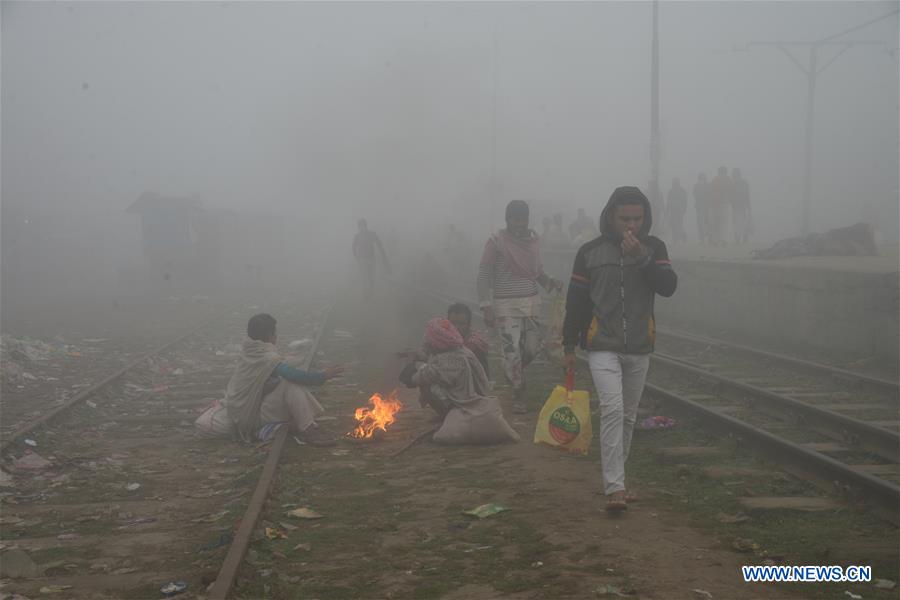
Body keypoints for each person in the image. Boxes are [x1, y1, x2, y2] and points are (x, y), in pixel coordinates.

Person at [562, 187, 677, 511]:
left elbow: (668, 287)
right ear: (610, 216)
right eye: (624, 218)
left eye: (637, 218)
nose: (631, 225)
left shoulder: (654, 248)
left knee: (627, 417)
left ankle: (620, 480)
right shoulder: (590, 252)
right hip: (602, 344)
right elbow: (576, 302)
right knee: (612, 409)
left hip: (640, 345)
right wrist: (569, 343)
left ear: (646, 218)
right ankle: (614, 488)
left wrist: (642, 258)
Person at [477, 200, 563, 414]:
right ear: (507, 219)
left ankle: (512, 372)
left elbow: (537, 272)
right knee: (512, 352)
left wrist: (551, 282)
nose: (520, 224)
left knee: (533, 348)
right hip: (506, 307)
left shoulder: (532, 242)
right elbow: (484, 274)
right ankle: (518, 392)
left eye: (523, 219)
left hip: (531, 303)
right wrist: (485, 305)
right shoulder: (496, 242)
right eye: (515, 219)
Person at [222, 313, 344, 446]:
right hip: (250, 418)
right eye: (274, 333)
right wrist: (323, 376)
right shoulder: (266, 358)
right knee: (289, 383)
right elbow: (294, 375)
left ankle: (307, 424)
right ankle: (308, 429)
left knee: (284, 383)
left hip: (242, 414)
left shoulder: (248, 351)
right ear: (270, 335)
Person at [399, 318, 519, 445]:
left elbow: (422, 377)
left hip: (467, 408)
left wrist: (412, 373)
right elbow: (432, 363)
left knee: (428, 387)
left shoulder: (447, 359)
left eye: (429, 340)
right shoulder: (461, 351)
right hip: (482, 401)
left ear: (436, 342)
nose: (427, 343)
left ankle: (447, 418)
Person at [447, 302, 490, 378]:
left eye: (462, 324)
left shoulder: (475, 345)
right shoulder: (441, 339)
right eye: (453, 323)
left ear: (469, 325)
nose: (457, 328)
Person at [352, 219, 391, 299]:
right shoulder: (357, 236)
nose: (362, 227)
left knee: (371, 276)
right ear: (359, 227)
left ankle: (371, 292)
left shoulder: (371, 234)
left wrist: (383, 254)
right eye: (360, 226)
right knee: (364, 277)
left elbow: (379, 244)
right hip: (362, 259)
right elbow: (353, 247)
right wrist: (357, 257)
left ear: (366, 226)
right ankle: (366, 294)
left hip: (371, 258)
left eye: (363, 225)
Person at [709, 167, 733, 246]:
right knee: (724, 222)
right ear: (725, 172)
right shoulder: (728, 180)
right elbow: (731, 191)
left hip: (714, 204)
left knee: (716, 222)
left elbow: (710, 191)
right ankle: (724, 240)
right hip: (724, 203)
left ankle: (715, 239)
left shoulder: (715, 179)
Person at [731, 168, 752, 244]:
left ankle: (737, 238)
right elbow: (747, 195)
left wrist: (732, 204)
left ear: (734, 175)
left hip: (735, 206)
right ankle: (745, 237)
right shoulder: (744, 182)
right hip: (743, 205)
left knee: (736, 222)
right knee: (744, 221)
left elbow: (731, 196)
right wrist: (749, 206)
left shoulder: (732, 183)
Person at [665, 178, 688, 245]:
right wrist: (667, 210)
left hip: (679, 211)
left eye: (675, 182)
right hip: (673, 210)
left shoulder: (681, 191)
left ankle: (682, 236)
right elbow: (668, 201)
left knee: (678, 225)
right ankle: (676, 238)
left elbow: (684, 201)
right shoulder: (671, 191)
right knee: (673, 225)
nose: (674, 183)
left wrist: (684, 209)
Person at [692, 173, 711, 245]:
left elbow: (694, 194)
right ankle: (703, 238)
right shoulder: (699, 186)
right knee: (701, 223)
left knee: (705, 223)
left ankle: (706, 238)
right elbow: (694, 194)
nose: (702, 180)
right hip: (701, 207)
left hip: (704, 207)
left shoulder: (704, 186)